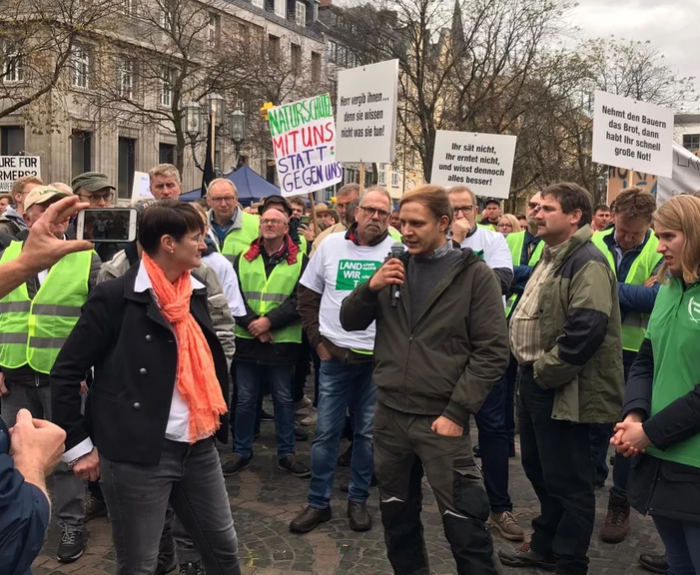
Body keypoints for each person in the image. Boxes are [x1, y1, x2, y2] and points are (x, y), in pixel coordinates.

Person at [51, 201, 241, 575]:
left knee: (223, 551)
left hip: (198, 446)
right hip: (135, 456)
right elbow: (66, 371)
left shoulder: (195, 291)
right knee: (139, 564)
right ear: (168, 243)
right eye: (196, 237)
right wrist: (79, 446)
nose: (203, 245)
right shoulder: (114, 296)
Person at [340, 184, 509, 573]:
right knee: (397, 519)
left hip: (441, 420)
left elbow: (492, 351)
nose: (406, 231)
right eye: (402, 223)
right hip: (390, 417)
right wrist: (370, 287)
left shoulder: (474, 276)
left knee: (465, 525)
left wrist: (457, 411)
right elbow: (349, 320)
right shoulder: (392, 267)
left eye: (417, 224)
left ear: (444, 223)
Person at [500, 182, 624, 575]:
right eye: (535, 208)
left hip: (562, 386)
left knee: (569, 479)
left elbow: (586, 329)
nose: (536, 213)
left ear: (574, 216)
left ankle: (570, 560)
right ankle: (546, 545)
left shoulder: (587, 261)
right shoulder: (551, 255)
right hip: (535, 380)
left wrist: (543, 372)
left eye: (547, 208)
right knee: (539, 469)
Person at [0, 186, 101, 563]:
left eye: (60, 209)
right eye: (44, 208)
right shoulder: (8, 254)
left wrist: (85, 368)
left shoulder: (85, 257)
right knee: (12, 451)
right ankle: (13, 521)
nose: (55, 215)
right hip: (14, 374)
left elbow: (96, 322)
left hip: (63, 378)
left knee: (66, 453)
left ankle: (72, 523)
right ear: (27, 216)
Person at [291, 188, 397, 534]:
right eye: (370, 210)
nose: (376, 217)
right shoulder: (331, 246)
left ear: (390, 217)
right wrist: (317, 341)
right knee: (326, 433)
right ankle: (318, 502)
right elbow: (307, 295)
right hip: (334, 357)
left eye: (383, 212)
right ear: (356, 212)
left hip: (377, 362)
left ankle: (358, 500)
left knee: (367, 435)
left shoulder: (398, 249)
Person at [448, 185, 521, 541]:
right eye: (454, 209)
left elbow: (499, 284)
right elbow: (436, 284)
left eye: (466, 208)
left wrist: (459, 253)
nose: (460, 215)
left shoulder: (494, 241)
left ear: (477, 210)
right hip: (448, 350)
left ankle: (499, 506)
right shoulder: (440, 242)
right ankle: (455, 500)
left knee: (492, 430)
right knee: (450, 426)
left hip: (486, 349)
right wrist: (454, 244)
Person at [590, 188, 662, 544]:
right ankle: (587, 484)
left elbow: (658, 298)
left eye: (634, 233)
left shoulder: (660, 248)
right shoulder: (594, 241)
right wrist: (634, 293)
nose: (626, 238)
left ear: (649, 225)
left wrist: (604, 287)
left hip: (636, 353)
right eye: (621, 230)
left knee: (626, 430)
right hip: (595, 348)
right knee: (591, 423)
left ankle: (620, 502)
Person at [222, 208, 310, 477]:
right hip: (248, 340)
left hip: (282, 342)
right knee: (245, 399)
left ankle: (286, 453)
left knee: (283, 399)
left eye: (275, 221)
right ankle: (241, 451)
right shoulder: (243, 258)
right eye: (265, 221)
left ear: (286, 227)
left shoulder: (300, 260)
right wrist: (254, 324)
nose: (269, 224)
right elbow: (233, 296)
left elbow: (301, 300)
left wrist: (269, 322)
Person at [71, 172, 125, 262]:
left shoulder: (120, 237)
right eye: (94, 197)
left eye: (106, 196)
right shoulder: (63, 236)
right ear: (77, 199)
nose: (102, 203)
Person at [204, 179, 259, 259]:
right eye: (218, 199)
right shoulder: (197, 222)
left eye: (228, 198)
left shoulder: (256, 223)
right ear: (208, 201)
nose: (223, 204)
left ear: (236, 199)